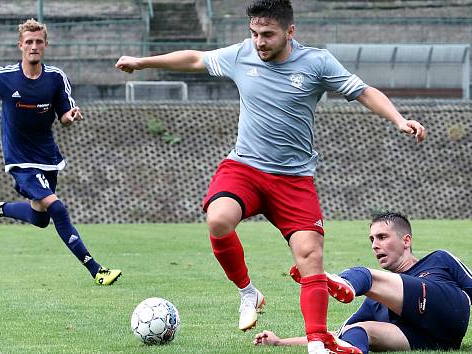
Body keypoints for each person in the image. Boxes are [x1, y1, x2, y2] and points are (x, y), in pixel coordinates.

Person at [116, 1, 425, 352]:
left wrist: (399, 120)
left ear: (289, 32)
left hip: (293, 181)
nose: (259, 42)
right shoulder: (241, 55)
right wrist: (142, 62)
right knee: (218, 220)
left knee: (311, 258)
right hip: (244, 169)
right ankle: (248, 293)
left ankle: (317, 344)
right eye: (254, 34)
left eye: (267, 35)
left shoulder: (317, 62)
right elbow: (194, 59)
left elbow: (363, 91)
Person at [254, 211, 472, 353]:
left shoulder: (440, 259)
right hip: (425, 341)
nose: (375, 244)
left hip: (447, 311)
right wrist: (281, 342)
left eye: (383, 237)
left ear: (406, 240)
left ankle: (328, 280)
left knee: (369, 276)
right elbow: (332, 332)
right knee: (355, 330)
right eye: (372, 238)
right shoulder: (377, 297)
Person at [0, 19, 122, 286]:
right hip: (20, 160)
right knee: (58, 209)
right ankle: (96, 270)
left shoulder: (55, 78)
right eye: (28, 42)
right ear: (20, 45)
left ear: (45, 45)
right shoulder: (4, 77)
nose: (33, 46)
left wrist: (71, 116)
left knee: (40, 218)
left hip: (47, 157)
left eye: (38, 41)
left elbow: (63, 116)